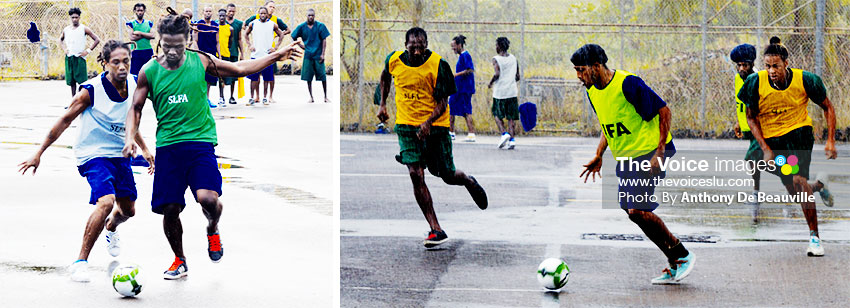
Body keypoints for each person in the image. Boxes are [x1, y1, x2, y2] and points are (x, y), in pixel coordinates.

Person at [124, 9, 302, 279]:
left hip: (200, 144)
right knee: (170, 208)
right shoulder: (149, 71)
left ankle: (212, 227)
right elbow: (135, 108)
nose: (172, 51)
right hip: (169, 148)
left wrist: (277, 54)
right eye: (167, 45)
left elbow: (241, 68)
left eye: (178, 46)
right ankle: (179, 260)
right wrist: (130, 139)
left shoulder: (202, 61)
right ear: (160, 40)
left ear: (188, 40)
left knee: (208, 199)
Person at [18, 40, 154, 283]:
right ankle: (80, 262)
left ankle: (111, 228)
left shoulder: (134, 85)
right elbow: (64, 120)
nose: (122, 67)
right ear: (104, 63)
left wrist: (143, 148)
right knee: (105, 201)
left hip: (119, 153)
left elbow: (130, 122)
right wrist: (38, 153)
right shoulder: (90, 90)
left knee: (128, 210)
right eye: (116, 62)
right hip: (92, 153)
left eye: (126, 61)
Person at [572, 44, 694, 285]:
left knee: (637, 209)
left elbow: (664, 111)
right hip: (628, 158)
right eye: (575, 70)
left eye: (581, 69)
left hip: (650, 152)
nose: (578, 75)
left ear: (597, 66)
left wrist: (659, 152)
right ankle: (675, 259)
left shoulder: (628, 84)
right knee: (634, 213)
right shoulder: (593, 91)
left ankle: (681, 256)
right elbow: (609, 125)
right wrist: (599, 154)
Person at [378, 27, 488, 248]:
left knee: (446, 174)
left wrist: (428, 123)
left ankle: (467, 180)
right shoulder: (394, 60)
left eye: (421, 45)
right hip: (407, 127)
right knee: (415, 173)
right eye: (413, 45)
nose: (417, 50)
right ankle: (436, 229)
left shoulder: (439, 65)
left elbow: (443, 102)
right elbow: (384, 77)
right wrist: (382, 103)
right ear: (406, 44)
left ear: (426, 45)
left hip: (435, 127)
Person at [737, 36, 836, 257]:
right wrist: (765, 148)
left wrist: (830, 140)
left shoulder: (805, 80)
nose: (772, 71)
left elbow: (827, 107)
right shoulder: (755, 83)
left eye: (776, 66)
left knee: (799, 182)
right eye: (768, 66)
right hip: (772, 138)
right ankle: (819, 186)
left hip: (798, 134)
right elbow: (751, 117)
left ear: (786, 64)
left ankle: (815, 238)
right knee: (792, 189)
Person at [729, 44, 763, 222]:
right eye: (739, 65)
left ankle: (756, 192)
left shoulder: (758, 79)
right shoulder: (737, 78)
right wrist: (738, 122)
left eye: (745, 65)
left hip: (760, 127)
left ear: (752, 64)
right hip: (747, 127)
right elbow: (740, 102)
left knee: (752, 160)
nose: (742, 69)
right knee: (761, 162)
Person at [244, 0, 291, 103]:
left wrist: (276, 47)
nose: (263, 15)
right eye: (261, 13)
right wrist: (249, 45)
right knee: (254, 78)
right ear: (259, 14)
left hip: (267, 56)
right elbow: (246, 34)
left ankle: (265, 97)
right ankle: (252, 97)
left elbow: (281, 34)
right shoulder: (253, 23)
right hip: (255, 56)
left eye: (264, 13)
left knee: (267, 78)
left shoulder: (272, 24)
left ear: (267, 15)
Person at [291, 8, 330, 104]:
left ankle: (325, 96)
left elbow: (324, 40)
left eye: (312, 15)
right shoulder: (302, 27)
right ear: (306, 16)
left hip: (318, 55)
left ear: (314, 16)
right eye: (309, 15)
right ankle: (311, 97)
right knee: (308, 77)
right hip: (308, 55)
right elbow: (293, 36)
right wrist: (300, 45)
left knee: (322, 76)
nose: (311, 17)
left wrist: (322, 54)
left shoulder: (320, 26)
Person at [60, 7, 100, 96]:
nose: (74, 19)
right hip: (70, 57)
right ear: (70, 18)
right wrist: (64, 49)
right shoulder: (66, 29)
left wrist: (88, 51)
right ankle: (73, 100)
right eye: (73, 17)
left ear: (79, 17)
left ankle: (82, 100)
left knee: (82, 81)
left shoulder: (84, 28)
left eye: (76, 17)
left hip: (80, 57)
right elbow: (60, 39)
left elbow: (97, 39)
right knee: (71, 81)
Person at [488, 37, 519, 149]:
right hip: (512, 91)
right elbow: (517, 76)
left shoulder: (496, 59)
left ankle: (504, 133)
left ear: (499, 46)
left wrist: (490, 83)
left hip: (500, 92)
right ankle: (512, 140)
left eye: (496, 45)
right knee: (510, 118)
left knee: (496, 114)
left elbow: (497, 74)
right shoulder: (514, 58)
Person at [448, 34, 476, 142]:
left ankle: (471, 133)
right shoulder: (461, 57)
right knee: (452, 108)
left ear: (460, 45)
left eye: (454, 46)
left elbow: (470, 70)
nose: (453, 49)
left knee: (466, 111)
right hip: (459, 88)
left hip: (464, 89)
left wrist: (455, 75)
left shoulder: (465, 55)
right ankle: (451, 132)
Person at [193, 6, 221, 108]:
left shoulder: (215, 25)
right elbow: (194, 41)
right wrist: (198, 53)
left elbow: (218, 42)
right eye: (206, 11)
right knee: (200, 77)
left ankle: (207, 99)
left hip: (212, 54)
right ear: (203, 12)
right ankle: (199, 99)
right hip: (201, 54)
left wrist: (219, 55)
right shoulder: (198, 25)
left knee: (209, 78)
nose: (208, 13)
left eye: (210, 11)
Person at [223, 3, 245, 104]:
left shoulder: (238, 24)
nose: (231, 13)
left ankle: (231, 96)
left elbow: (240, 39)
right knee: (222, 75)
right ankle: (221, 96)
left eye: (233, 11)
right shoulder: (220, 22)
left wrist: (242, 53)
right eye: (229, 11)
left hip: (234, 52)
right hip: (223, 52)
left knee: (233, 76)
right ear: (226, 11)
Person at [126, 3, 155, 76]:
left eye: (141, 10)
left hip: (147, 50)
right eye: (138, 10)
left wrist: (139, 33)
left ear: (144, 11)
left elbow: (153, 35)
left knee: (149, 73)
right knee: (135, 74)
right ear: (135, 11)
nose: (139, 12)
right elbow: (132, 38)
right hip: (136, 51)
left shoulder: (149, 23)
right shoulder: (131, 23)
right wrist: (146, 34)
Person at [217, 8, 233, 106]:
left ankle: (229, 96)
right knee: (220, 78)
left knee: (227, 78)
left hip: (226, 54)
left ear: (226, 16)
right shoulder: (215, 27)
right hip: (217, 55)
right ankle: (221, 97)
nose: (222, 17)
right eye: (220, 16)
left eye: (223, 16)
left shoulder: (230, 28)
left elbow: (230, 43)